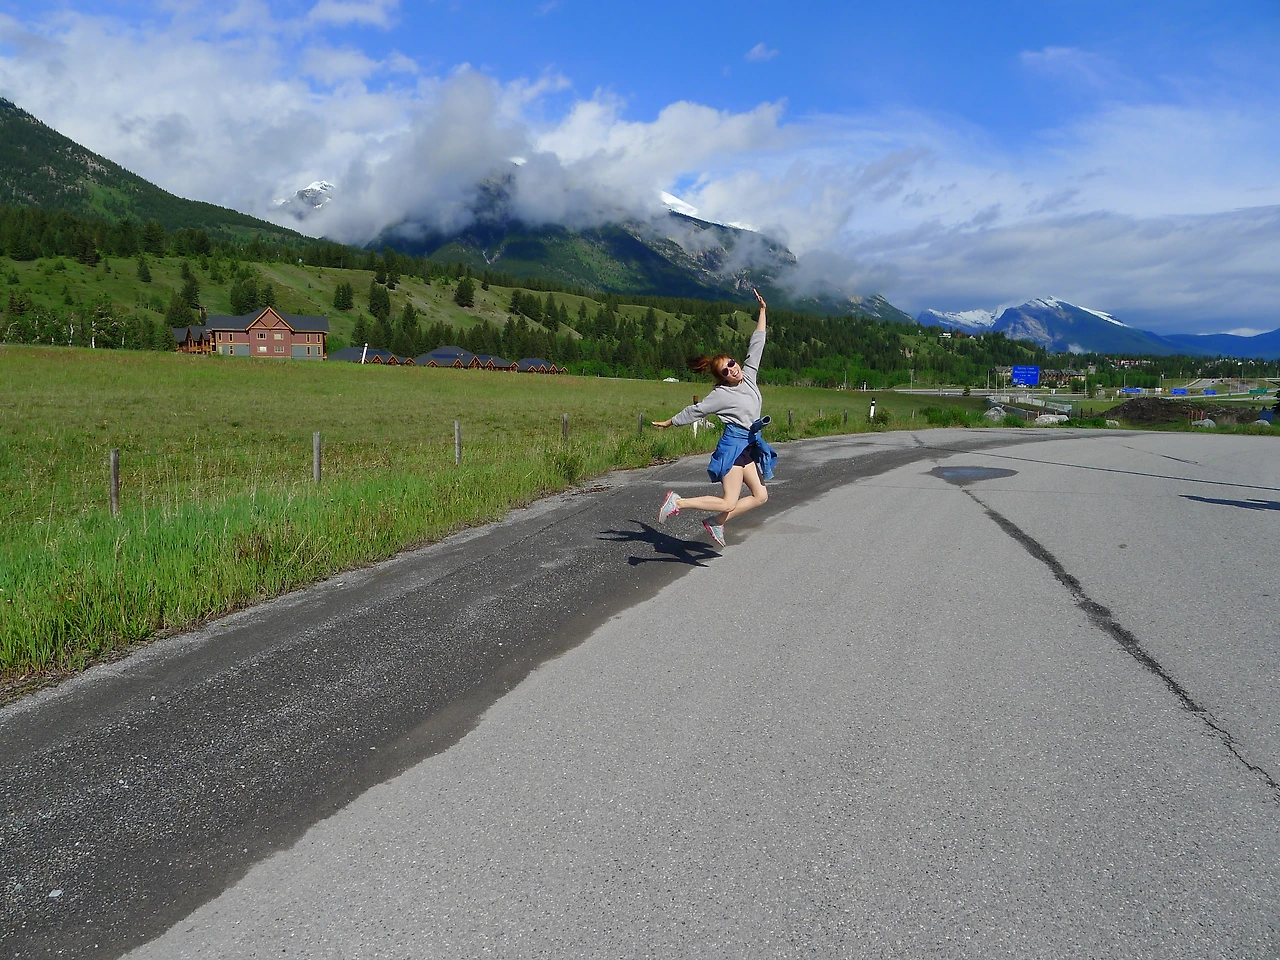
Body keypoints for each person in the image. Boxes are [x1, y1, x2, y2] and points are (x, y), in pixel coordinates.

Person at [653, 289, 777, 547]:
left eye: (732, 363)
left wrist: (763, 310)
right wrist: (670, 422)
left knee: (761, 495)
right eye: (726, 370)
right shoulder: (721, 395)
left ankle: (717, 522)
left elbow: (757, 343)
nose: (733, 369)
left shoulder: (749, 375)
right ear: (722, 377)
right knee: (729, 501)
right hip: (733, 447)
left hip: (749, 445)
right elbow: (696, 411)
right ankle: (678, 502)